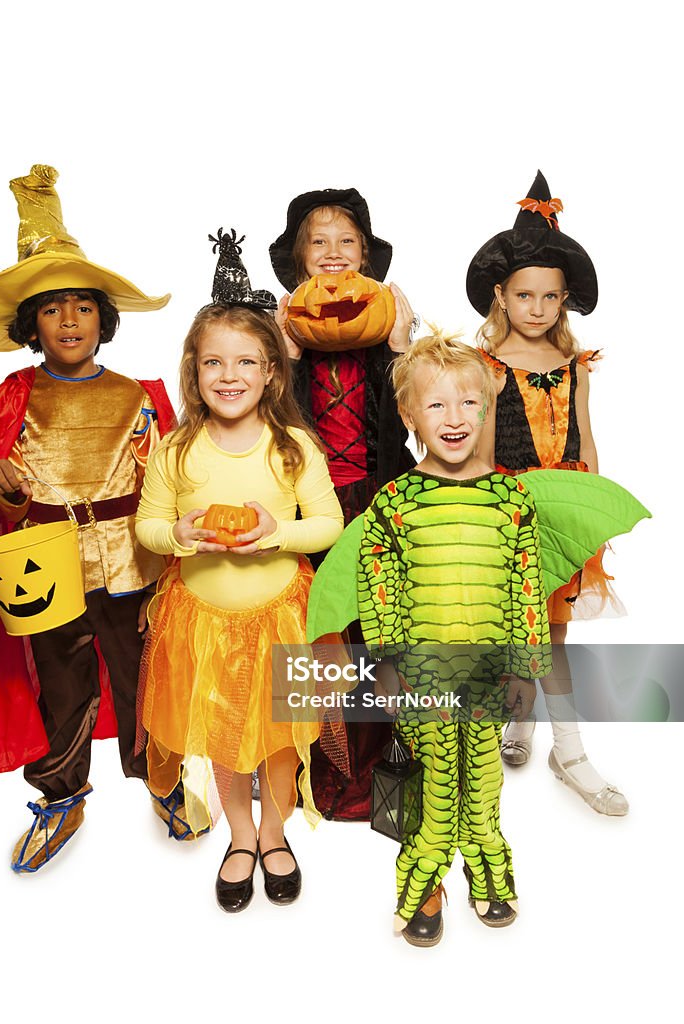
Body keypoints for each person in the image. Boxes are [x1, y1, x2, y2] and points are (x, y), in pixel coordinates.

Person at [0, 164, 175, 872]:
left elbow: (168, 484)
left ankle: (162, 780)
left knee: (145, 678)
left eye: (83, 306)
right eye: (53, 309)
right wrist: (1, 490)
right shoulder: (11, 398)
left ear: (102, 318)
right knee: (62, 686)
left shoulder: (140, 396)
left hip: (132, 562)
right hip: (45, 567)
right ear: (32, 324)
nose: (70, 321)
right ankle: (62, 794)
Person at [136, 231, 345, 912]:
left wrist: (276, 533)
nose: (229, 376)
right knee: (225, 737)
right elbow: (147, 525)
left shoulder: (293, 448)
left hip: (282, 615)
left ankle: (277, 832)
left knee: (282, 738)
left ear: (270, 374)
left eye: (245, 363)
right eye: (213, 363)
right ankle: (241, 835)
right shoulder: (176, 449)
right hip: (202, 623)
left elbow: (329, 525)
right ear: (194, 372)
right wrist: (181, 535)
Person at [357, 330, 551, 946]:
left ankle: (486, 863)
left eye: (468, 403)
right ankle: (424, 880)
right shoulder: (394, 503)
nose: (454, 418)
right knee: (434, 784)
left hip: (491, 675)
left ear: (487, 408)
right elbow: (378, 588)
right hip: (422, 677)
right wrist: (385, 663)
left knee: (485, 781)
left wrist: (527, 667)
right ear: (410, 415)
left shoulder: (512, 499)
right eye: (436, 405)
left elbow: (526, 584)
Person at [466, 170, 628, 815]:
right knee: (505, 633)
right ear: (500, 296)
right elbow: (474, 452)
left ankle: (571, 750)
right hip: (505, 514)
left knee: (552, 636)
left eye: (551, 297)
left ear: (564, 302)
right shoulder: (482, 366)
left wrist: (594, 518)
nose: (537, 308)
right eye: (525, 295)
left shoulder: (574, 366)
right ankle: (517, 720)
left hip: (563, 515)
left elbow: (586, 443)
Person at [269, 188, 416, 820]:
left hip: (380, 497)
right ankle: (325, 762)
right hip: (309, 508)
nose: (332, 254)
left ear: (366, 256)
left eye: (346, 242)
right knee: (320, 631)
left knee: (385, 629)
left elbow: (421, 415)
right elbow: (261, 420)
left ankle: (393, 756)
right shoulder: (283, 339)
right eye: (318, 243)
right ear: (300, 261)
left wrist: (404, 345)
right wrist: (288, 356)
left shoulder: (384, 332)